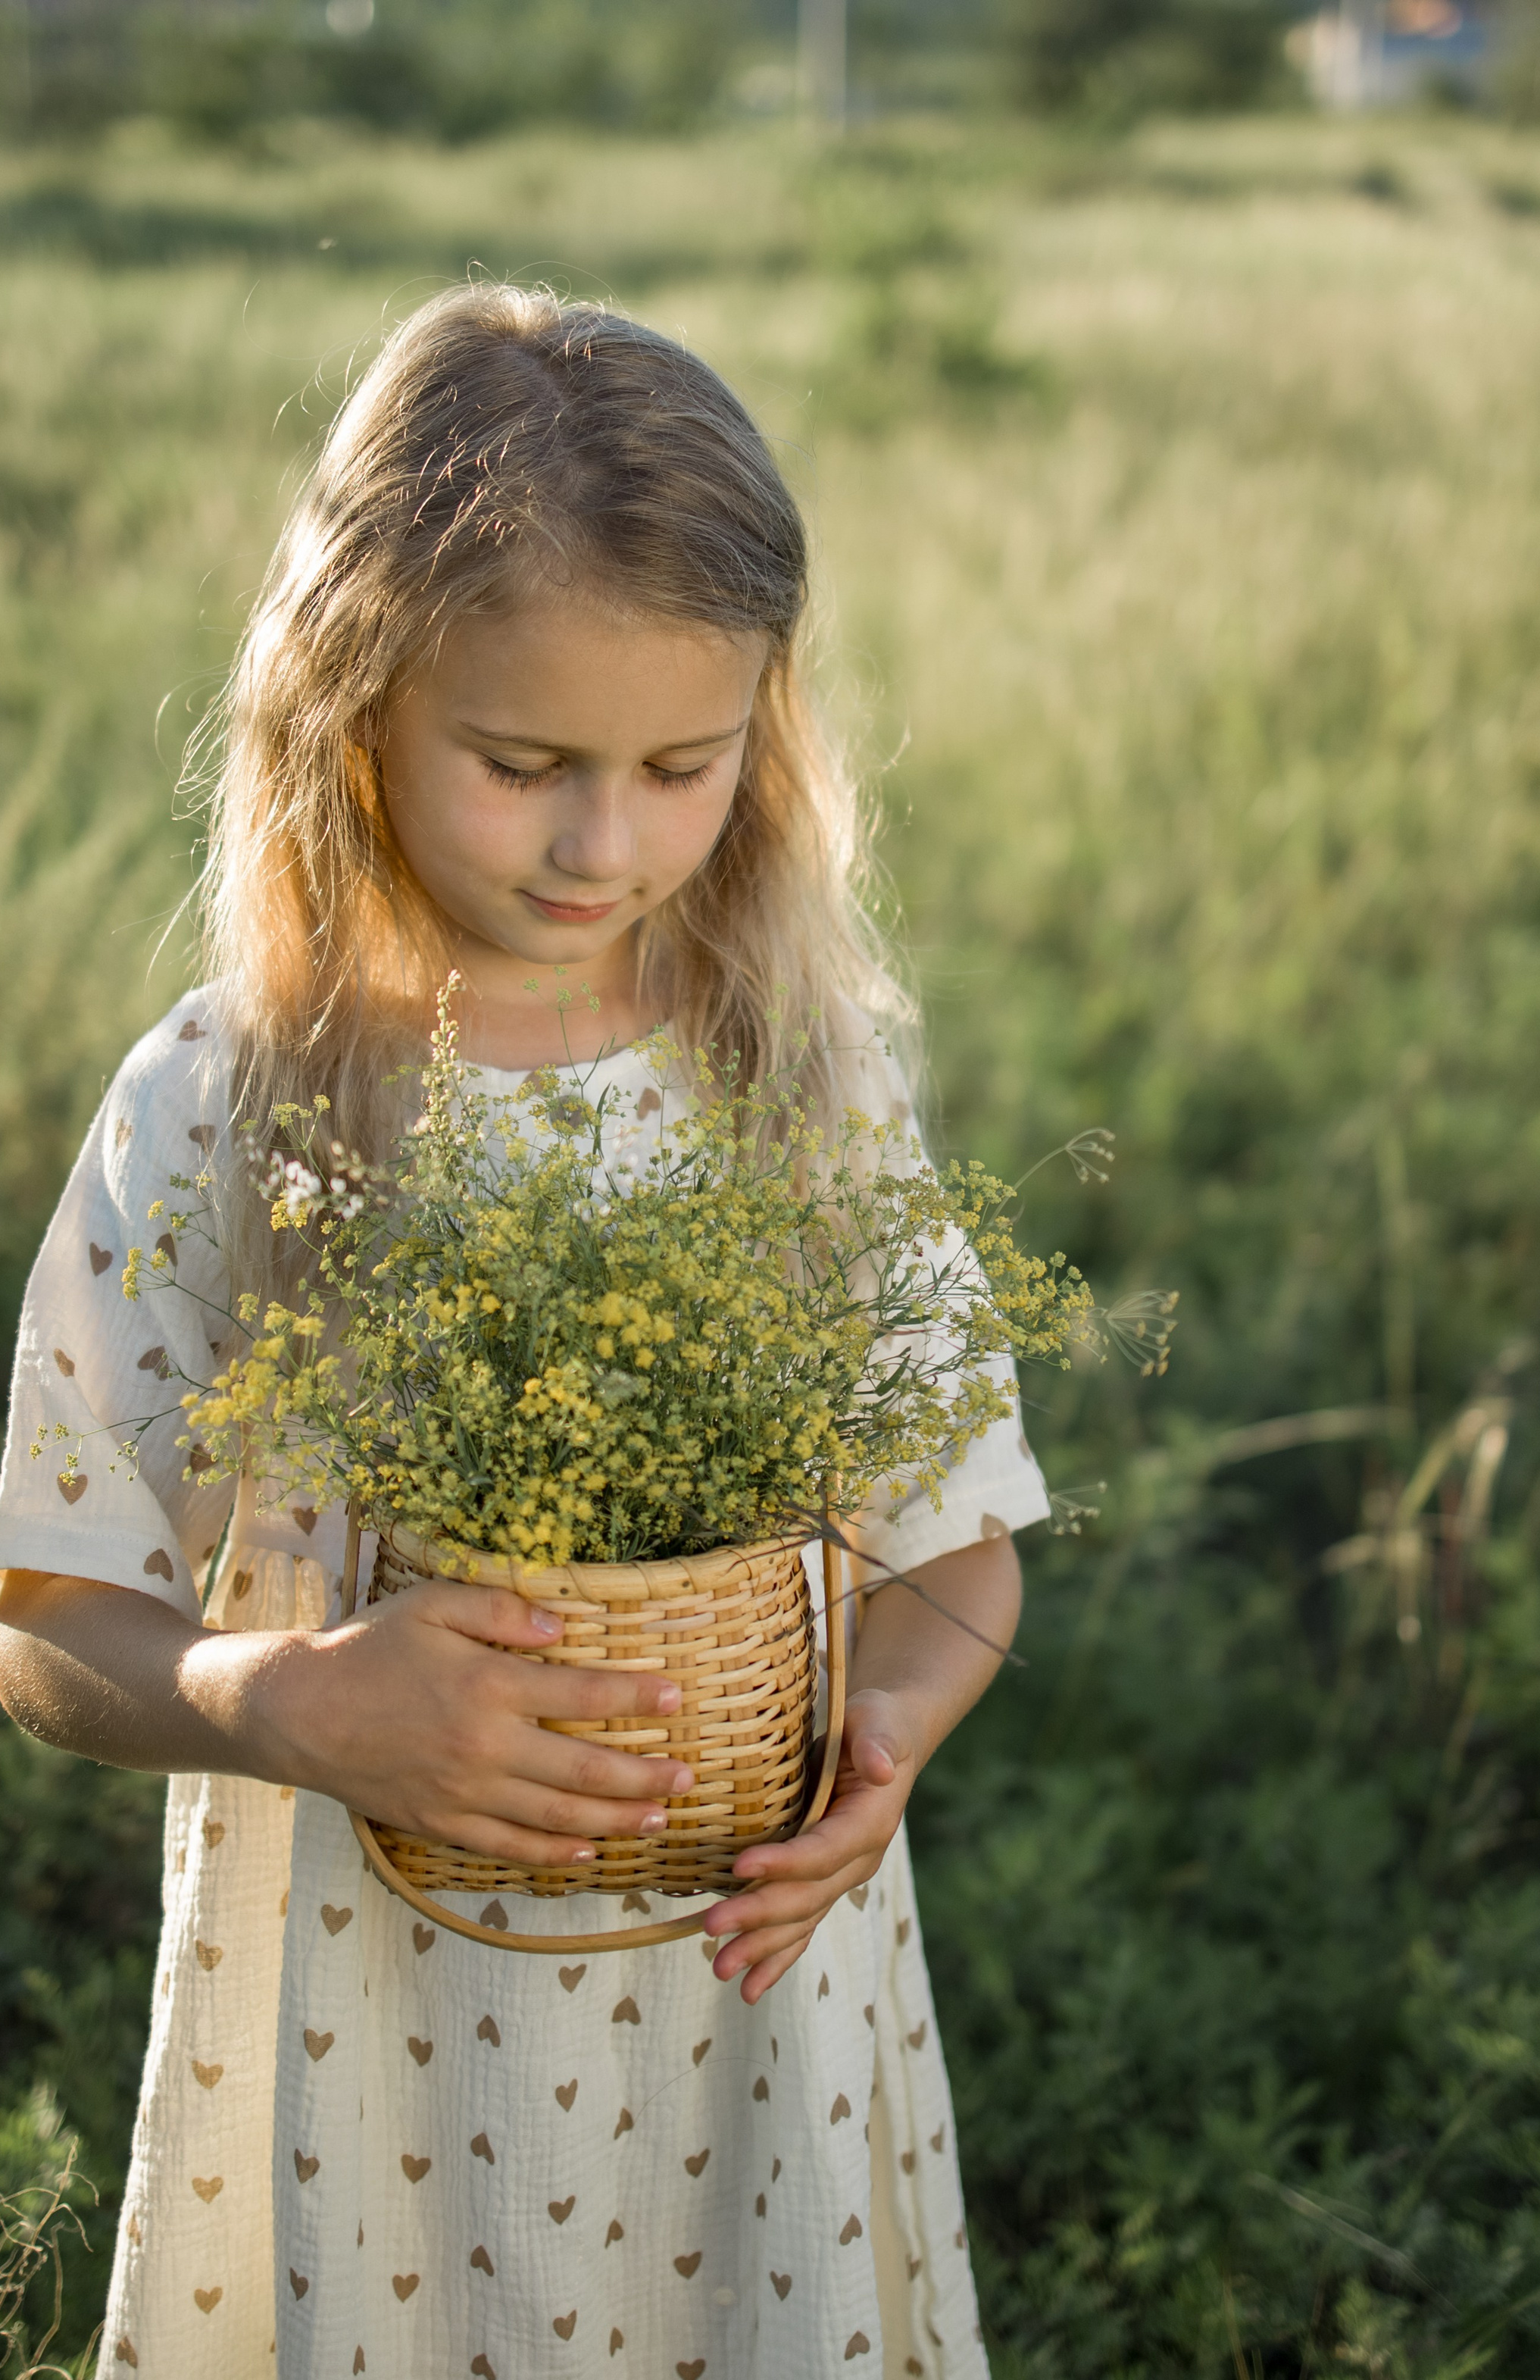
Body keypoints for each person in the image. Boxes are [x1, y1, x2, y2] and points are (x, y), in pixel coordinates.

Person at [0, 285, 1050, 2379]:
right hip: (369, 2031)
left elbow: (959, 1557)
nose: (604, 843)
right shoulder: (225, 1098)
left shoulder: (798, 1087)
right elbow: (44, 1621)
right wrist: (272, 1698)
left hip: (757, 2015)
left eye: (683, 765)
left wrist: (892, 1750)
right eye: (523, 763)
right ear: (349, 701)